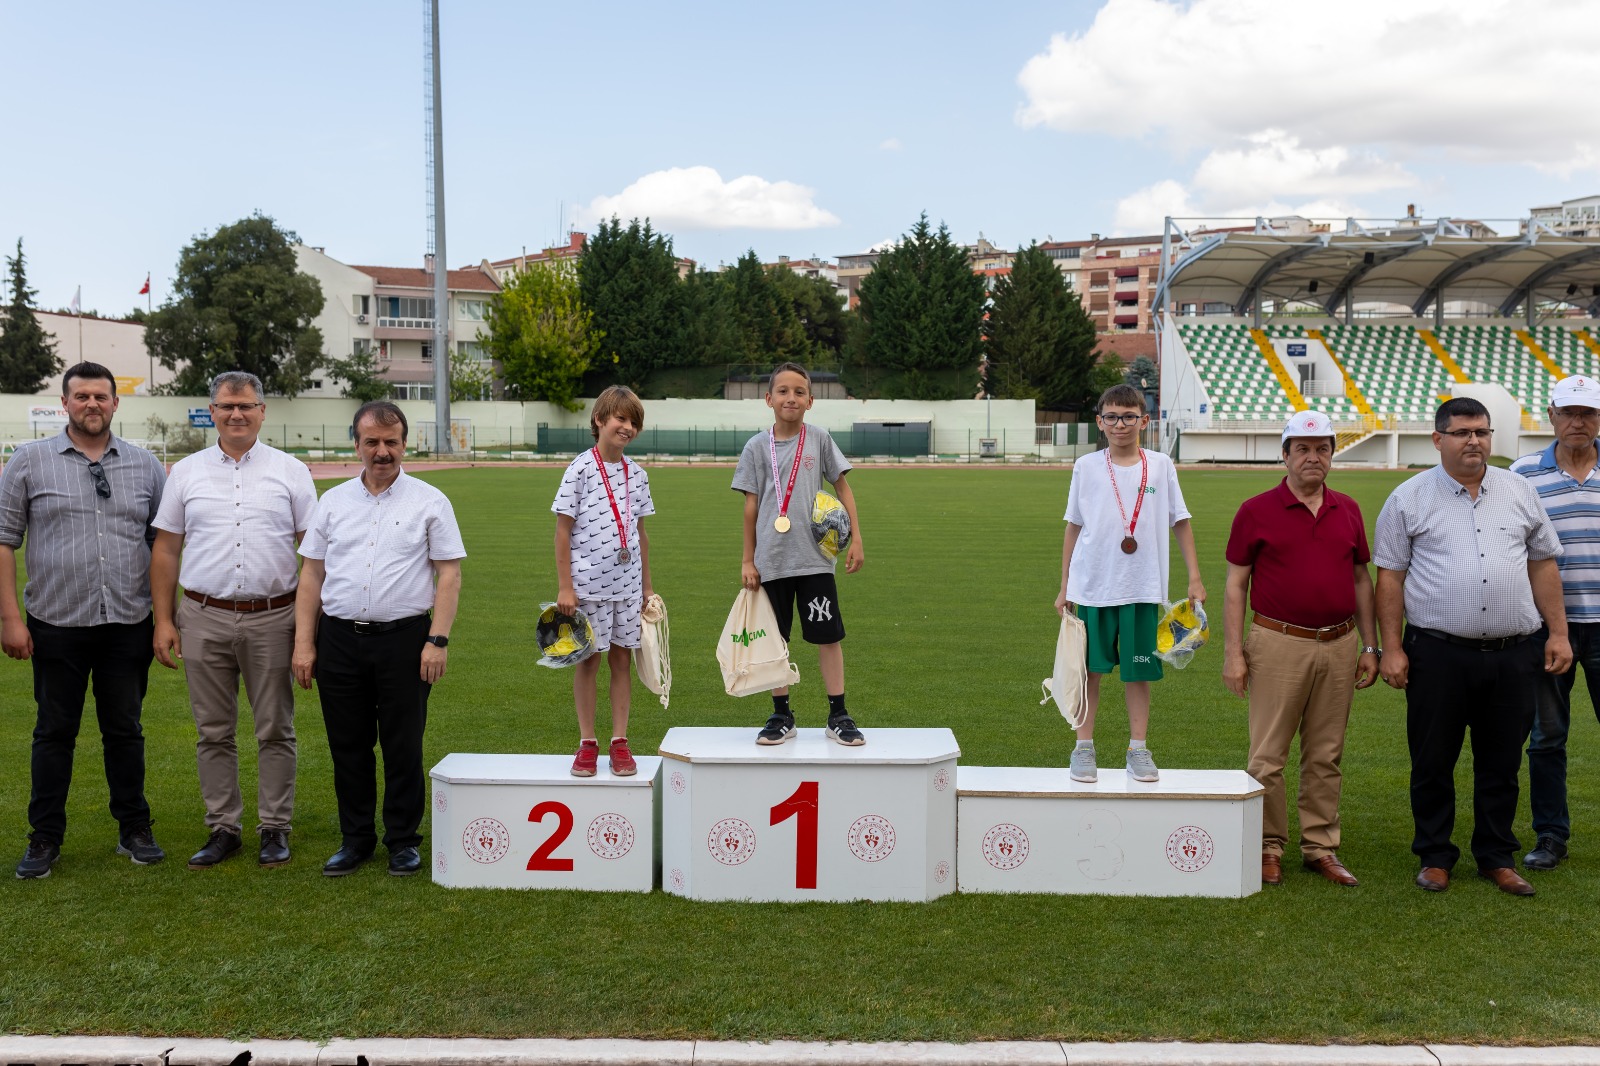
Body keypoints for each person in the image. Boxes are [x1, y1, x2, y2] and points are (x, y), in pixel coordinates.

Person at [1375, 397, 1572, 897]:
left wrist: (1558, 632)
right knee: (1433, 760)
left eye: (1482, 432)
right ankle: (1435, 856)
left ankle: (1496, 856)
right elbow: (1390, 578)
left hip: (1513, 652)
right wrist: (1391, 649)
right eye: (1462, 432)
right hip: (1437, 653)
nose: (1474, 442)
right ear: (1438, 439)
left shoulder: (1519, 490)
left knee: (1501, 762)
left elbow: (1542, 564)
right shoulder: (1408, 498)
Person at [1, 362, 168, 878]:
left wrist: (165, 617)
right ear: (65, 403)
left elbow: (162, 544)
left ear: (116, 403)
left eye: (101, 396)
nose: (92, 404)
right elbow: (5, 540)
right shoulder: (28, 461)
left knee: (125, 730)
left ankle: (134, 828)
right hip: (56, 622)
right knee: (54, 733)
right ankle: (45, 838)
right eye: (82, 397)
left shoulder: (144, 465)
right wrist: (10, 618)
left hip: (126, 621)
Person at [150, 371, 317, 870]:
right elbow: (166, 549)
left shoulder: (291, 471)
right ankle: (223, 827)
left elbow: (315, 555)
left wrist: (309, 631)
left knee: (274, 728)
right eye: (226, 406)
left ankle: (274, 828)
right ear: (213, 412)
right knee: (213, 731)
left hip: (273, 617)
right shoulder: (186, 473)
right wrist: (164, 620)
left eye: (245, 405)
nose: (236, 414)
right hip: (203, 616)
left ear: (263, 410)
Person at [291, 401, 465, 878]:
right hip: (339, 640)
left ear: (405, 444)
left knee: (403, 745)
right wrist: (305, 643)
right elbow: (311, 575)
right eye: (372, 442)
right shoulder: (333, 502)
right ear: (357, 445)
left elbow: (448, 575)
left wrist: (438, 640)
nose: (382, 451)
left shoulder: (430, 501)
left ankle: (403, 841)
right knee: (347, 745)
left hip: (405, 641)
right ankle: (356, 839)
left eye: (391, 442)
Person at [1222, 410, 1379, 888]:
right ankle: (1269, 846)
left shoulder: (1347, 509)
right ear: (1285, 455)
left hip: (1339, 643)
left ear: (1332, 454)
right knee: (1267, 756)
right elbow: (1236, 585)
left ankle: (1320, 846)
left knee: (1326, 754)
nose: (1314, 457)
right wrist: (1234, 653)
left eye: (1323, 448)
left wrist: (1370, 646)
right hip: (1277, 642)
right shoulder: (1256, 510)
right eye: (1303, 449)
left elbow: (1359, 579)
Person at [1054, 383, 1204, 783]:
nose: (1121, 424)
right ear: (1100, 422)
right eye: (1112, 417)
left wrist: (1194, 577)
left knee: (1139, 674)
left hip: (1142, 588)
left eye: (1129, 416)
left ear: (1144, 419)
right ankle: (1083, 748)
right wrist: (1065, 585)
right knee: (1090, 672)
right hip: (1093, 588)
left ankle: (1138, 749)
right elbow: (1073, 527)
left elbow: (1180, 521)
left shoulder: (1160, 465)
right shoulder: (1086, 467)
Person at [733, 362, 865, 746]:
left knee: (828, 637)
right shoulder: (756, 447)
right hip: (770, 562)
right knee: (776, 641)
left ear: (810, 401)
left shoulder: (820, 439)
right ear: (768, 399)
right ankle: (781, 714)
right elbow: (750, 507)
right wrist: (747, 559)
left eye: (799, 392)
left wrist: (856, 537)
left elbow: (843, 489)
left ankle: (838, 713)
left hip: (815, 562)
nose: (791, 397)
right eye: (784, 391)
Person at [1511, 375, 1600, 871]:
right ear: (1551, 415)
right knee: (1547, 738)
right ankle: (1551, 836)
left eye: (1587, 412)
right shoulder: (1523, 474)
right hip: (1550, 630)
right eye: (1569, 412)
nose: (1577, 421)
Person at [552, 385, 655, 777]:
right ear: (599, 420)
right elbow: (562, 532)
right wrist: (566, 587)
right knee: (588, 663)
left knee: (622, 662)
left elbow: (641, 536)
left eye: (633, 422)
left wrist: (647, 588)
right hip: (587, 588)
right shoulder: (580, 469)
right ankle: (587, 742)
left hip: (627, 589)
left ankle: (620, 741)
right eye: (620, 418)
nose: (626, 427)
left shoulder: (638, 475)